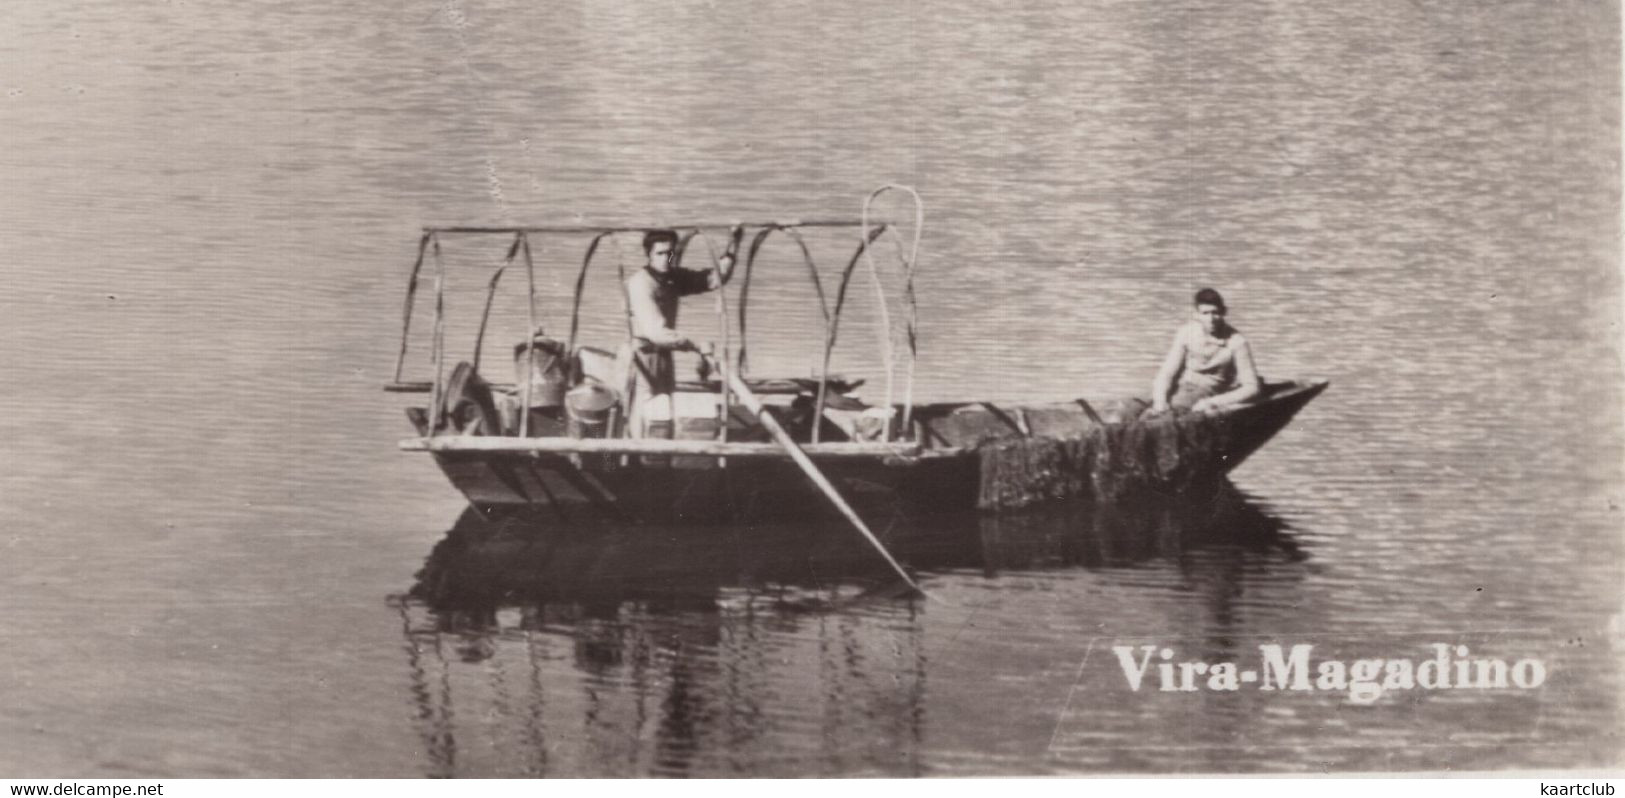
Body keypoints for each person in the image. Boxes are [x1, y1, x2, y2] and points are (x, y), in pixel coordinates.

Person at [622, 227, 741, 432]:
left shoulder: (672, 279)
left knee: (663, 413)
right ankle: (630, 458)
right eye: (660, 253)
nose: (665, 259)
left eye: (670, 254)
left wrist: (733, 245)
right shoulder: (640, 284)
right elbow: (656, 333)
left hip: (663, 357)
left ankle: (656, 459)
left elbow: (714, 279)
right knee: (642, 415)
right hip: (642, 357)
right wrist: (695, 345)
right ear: (649, 255)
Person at [1149, 287, 1262, 414]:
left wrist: (1212, 402)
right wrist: (1160, 400)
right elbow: (1167, 373)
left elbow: (1252, 387)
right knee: (1127, 407)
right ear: (1196, 314)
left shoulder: (1237, 342)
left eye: (1215, 313)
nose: (1211, 319)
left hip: (1205, 393)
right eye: (1205, 313)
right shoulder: (1187, 333)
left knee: (1167, 414)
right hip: (1179, 386)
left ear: (1224, 312)